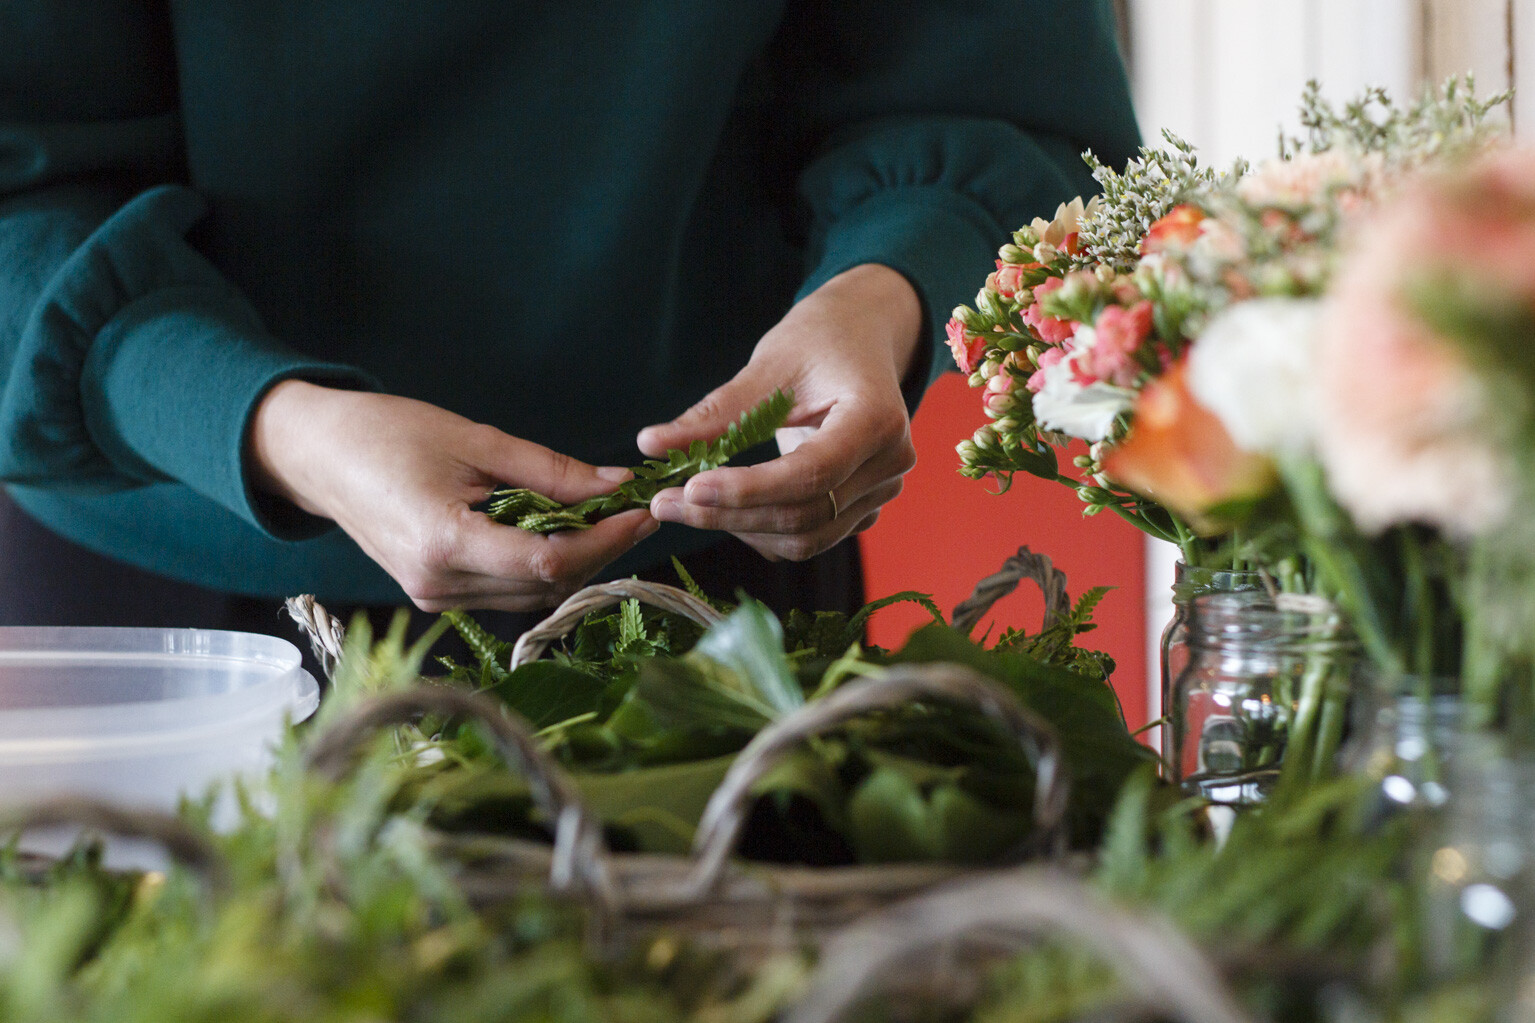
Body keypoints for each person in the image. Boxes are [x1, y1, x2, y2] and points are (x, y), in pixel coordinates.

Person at [0, 1, 1140, 646]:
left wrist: (878, 292)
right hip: (177, 616)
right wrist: (262, 422)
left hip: (707, 584)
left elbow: (984, 73)